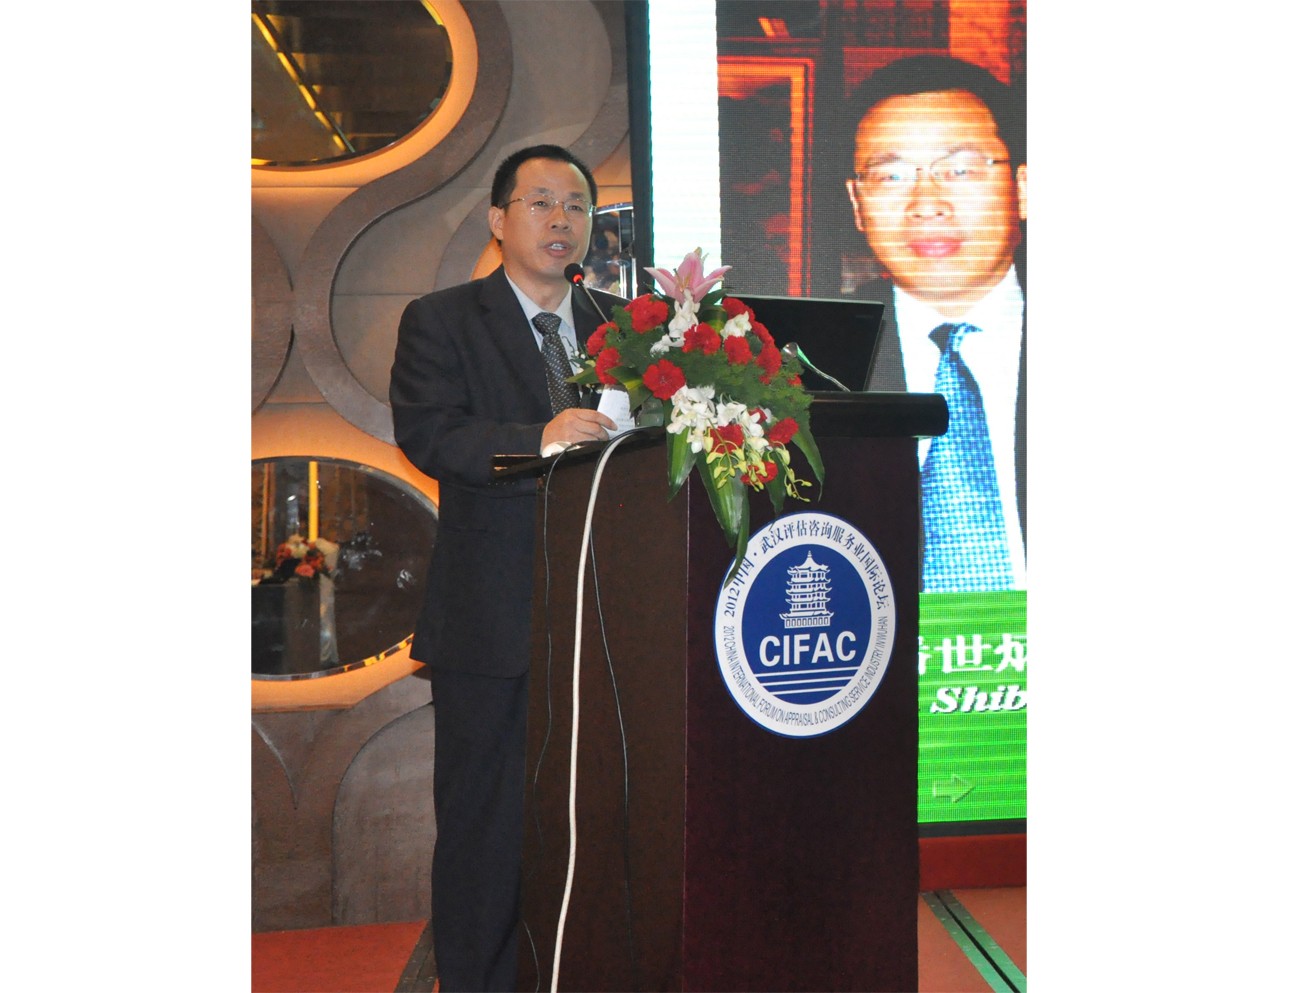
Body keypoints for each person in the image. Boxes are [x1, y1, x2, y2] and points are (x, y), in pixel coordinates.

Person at [389, 144, 621, 992]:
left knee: (600, 820)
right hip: (491, 620)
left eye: (576, 205)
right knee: (486, 825)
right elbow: (430, 432)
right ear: (498, 220)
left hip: (608, 620)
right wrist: (538, 438)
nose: (562, 220)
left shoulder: (622, 328)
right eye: (541, 202)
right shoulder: (443, 318)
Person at [842, 54, 1026, 592]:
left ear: (1023, 187)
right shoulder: (809, 362)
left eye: (960, 170)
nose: (927, 204)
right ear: (857, 204)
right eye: (892, 176)